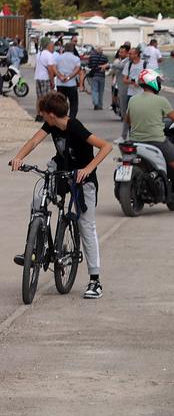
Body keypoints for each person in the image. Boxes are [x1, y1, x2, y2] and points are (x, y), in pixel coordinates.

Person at [9, 91, 113, 299]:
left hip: (82, 179)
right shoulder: (51, 125)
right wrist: (18, 157)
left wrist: (88, 169)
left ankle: (95, 281)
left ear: (51, 114)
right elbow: (34, 141)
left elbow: (106, 146)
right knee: (38, 197)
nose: (41, 116)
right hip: (61, 173)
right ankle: (33, 249)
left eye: (42, 113)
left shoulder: (75, 127)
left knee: (86, 225)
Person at [125, 71, 174, 214]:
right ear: (153, 83)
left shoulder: (133, 100)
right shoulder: (161, 101)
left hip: (135, 141)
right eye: (158, 81)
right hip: (156, 141)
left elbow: (128, 120)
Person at [52, 40, 82, 119]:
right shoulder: (76, 59)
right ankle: (71, 119)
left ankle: (62, 117)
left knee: (61, 103)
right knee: (73, 103)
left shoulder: (58, 57)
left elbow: (54, 68)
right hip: (71, 84)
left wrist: (60, 76)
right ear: (72, 49)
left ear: (64, 49)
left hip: (60, 84)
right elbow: (77, 69)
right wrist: (68, 77)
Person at [82, 43, 109, 110]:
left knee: (95, 90)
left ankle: (96, 103)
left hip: (94, 75)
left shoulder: (92, 57)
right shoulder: (105, 57)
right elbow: (107, 67)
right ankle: (100, 105)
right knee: (101, 91)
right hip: (102, 76)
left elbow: (89, 65)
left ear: (96, 51)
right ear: (102, 51)